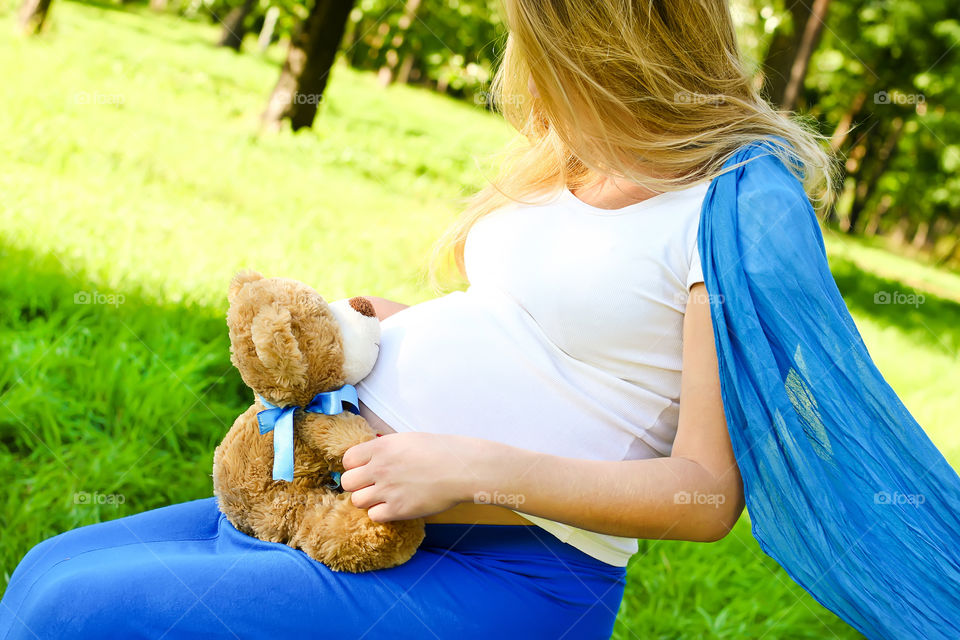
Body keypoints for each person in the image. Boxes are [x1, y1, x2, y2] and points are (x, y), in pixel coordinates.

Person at [0, 1, 836, 638]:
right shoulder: (581, 148)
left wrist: (468, 469)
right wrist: (397, 327)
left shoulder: (739, 203)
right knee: (44, 574)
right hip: (329, 496)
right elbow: (534, 324)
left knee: (70, 613)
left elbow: (704, 492)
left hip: (509, 568)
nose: (525, 63)